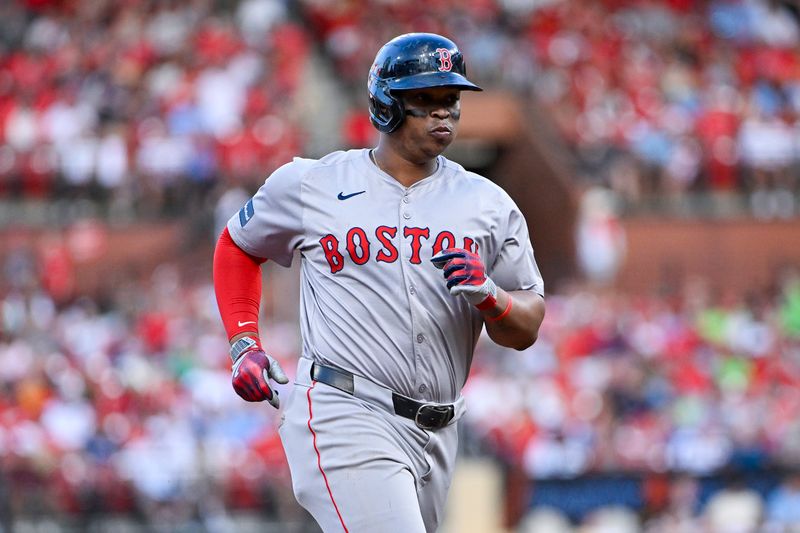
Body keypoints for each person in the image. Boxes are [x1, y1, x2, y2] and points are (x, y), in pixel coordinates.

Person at [213, 32, 546, 533]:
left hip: (437, 428)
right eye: (425, 100)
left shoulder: (488, 204)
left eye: (450, 100)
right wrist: (244, 343)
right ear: (386, 104)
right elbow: (238, 244)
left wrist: (491, 297)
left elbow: (528, 324)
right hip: (343, 407)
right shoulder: (312, 183)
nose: (443, 114)